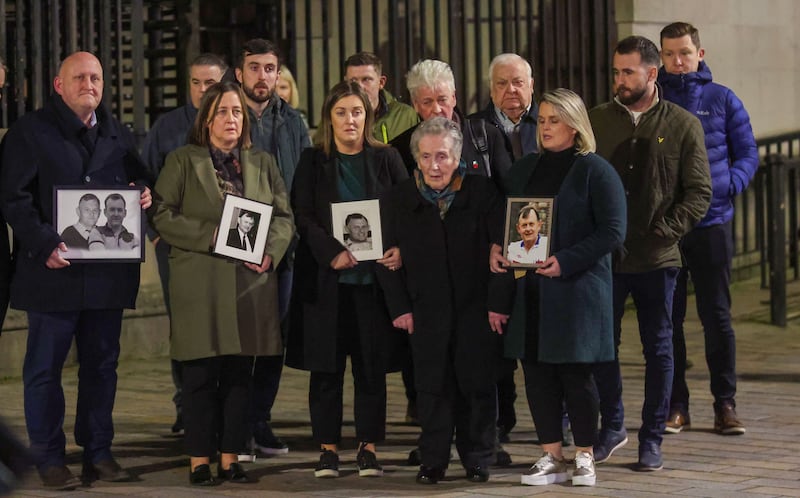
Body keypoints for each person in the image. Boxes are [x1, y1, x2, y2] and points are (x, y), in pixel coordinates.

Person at [0, 51, 153, 490]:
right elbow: (13, 199)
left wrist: (142, 194)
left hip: (106, 277)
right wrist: (44, 243)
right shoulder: (29, 133)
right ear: (58, 84)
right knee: (45, 369)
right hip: (52, 273)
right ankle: (48, 457)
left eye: (96, 77)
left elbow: (141, 181)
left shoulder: (116, 132)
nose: (90, 84)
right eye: (80, 77)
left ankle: (98, 452)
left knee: (102, 367)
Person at [152, 81, 294, 486]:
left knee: (238, 376)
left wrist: (271, 251)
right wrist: (209, 235)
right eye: (222, 112)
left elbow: (284, 217)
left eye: (236, 112)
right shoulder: (182, 160)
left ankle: (231, 459)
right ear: (206, 120)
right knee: (198, 376)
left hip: (248, 285)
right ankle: (199, 461)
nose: (231, 119)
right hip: (200, 284)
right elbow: (161, 214)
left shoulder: (262, 162)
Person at [491, 88, 626, 487]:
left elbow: (613, 231)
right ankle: (550, 454)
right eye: (543, 120)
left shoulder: (595, 170)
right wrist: (497, 249)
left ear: (575, 124)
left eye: (555, 120)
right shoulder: (524, 168)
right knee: (536, 374)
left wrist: (566, 261)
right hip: (529, 289)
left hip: (577, 290)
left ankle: (584, 454)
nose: (545, 127)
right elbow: (509, 222)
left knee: (576, 376)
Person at [589, 35, 711, 471]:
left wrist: (667, 231)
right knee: (603, 345)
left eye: (628, 72)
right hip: (607, 257)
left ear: (652, 73)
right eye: (616, 72)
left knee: (659, 348)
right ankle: (612, 427)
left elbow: (699, 192)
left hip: (658, 258)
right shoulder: (597, 121)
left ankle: (652, 437)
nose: (619, 80)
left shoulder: (681, 124)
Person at [390, 59, 515, 462]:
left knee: (482, 372)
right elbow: (398, 218)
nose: (436, 110)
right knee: (431, 376)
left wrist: (501, 244)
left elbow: (506, 198)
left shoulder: (483, 136)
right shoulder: (404, 148)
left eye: (443, 100)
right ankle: (435, 447)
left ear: (455, 98)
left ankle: (485, 445)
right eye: (426, 102)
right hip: (428, 290)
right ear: (414, 104)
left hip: (478, 277)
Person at [286, 80, 406, 478]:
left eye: (357, 112)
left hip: (373, 285)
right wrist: (331, 252)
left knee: (370, 371)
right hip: (327, 285)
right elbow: (302, 214)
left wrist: (400, 247)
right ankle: (327, 449)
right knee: (327, 372)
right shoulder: (311, 161)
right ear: (329, 118)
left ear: (367, 115)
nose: (350, 119)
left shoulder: (386, 158)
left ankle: (368, 447)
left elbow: (409, 209)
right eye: (342, 112)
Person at [658, 22, 758, 436]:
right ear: (661, 57)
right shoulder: (654, 99)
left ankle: (725, 404)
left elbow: (747, 152)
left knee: (717, 317)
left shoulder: (722, 99)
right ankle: (676, 404)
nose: (677, 60)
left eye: (684, 52)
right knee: (670, 319)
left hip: (713, 223)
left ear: (700, 53)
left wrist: (730, 185)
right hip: (667, 229)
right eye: (669, 54)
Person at [141, 52, 227, 434]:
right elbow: (145, 183)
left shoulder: (234, 122)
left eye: (210, 83)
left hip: (227, 246)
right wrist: (155, 235)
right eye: (195, 82)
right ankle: (186, 405)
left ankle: (228, 407)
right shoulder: (167, 127)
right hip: (175, 246)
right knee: (184, 326)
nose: (201, 90)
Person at [235, 38, 311, 458]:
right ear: (239, 73)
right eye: (254, 68)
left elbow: (300, 183)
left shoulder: (294, 122)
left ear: (278, 74)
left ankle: (259, 420)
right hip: (236, 244)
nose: (262, 76)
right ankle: (234, 426)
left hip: (283, 248)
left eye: (269, 68)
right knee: (237, 338)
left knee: (273, 339)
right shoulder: (227, 115)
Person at [469, 53, 538, 161]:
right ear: (491, 89)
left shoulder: (550, 124)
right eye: (502, 83)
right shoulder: (471, 127)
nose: (511, 90)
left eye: (518, 82)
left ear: (531, 85)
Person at [344, 51, 418, 143]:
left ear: (381, 82)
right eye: (353, 81)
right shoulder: (337, 117)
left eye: (366, 79)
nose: (359, 87)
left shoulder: (405, 116)